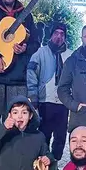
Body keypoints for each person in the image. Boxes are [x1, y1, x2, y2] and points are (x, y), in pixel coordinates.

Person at [27, 23, 70, 159]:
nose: (59, 36)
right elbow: (31, 73)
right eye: (56, 33)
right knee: (43, 135)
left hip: (63, 103)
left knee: (60, 137)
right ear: (51, 35)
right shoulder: (40, 53)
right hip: (45, 101)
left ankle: (55, 162)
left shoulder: (70, 55)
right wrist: (33, 96)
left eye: (62, 34)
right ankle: (41, 164)